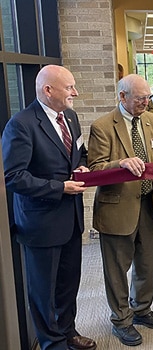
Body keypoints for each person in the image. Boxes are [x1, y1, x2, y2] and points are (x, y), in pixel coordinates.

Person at [2, 65, 97, 350]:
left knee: (68, 282)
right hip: (41, 223)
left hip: (71, 219)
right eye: (69, 88)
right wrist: (60, 188)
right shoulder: (21, 124)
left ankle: (68, 332)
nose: (75, 93)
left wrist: (82, 166)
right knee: (44, 290)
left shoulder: (70, 116)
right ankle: (51, 344)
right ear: (48, 90)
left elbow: (79, 152)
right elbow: (14, 177)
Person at [88, 74, 153, 347]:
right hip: (118, 209)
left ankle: (142, 309)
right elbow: (95, 169)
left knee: (146, 264)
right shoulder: (102, 126)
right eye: (139, 98)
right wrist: (121, 163)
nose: (145, 103)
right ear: (122, 96)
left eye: (148, 97)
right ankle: (122, 320)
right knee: (117, 269)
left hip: (150, 204)